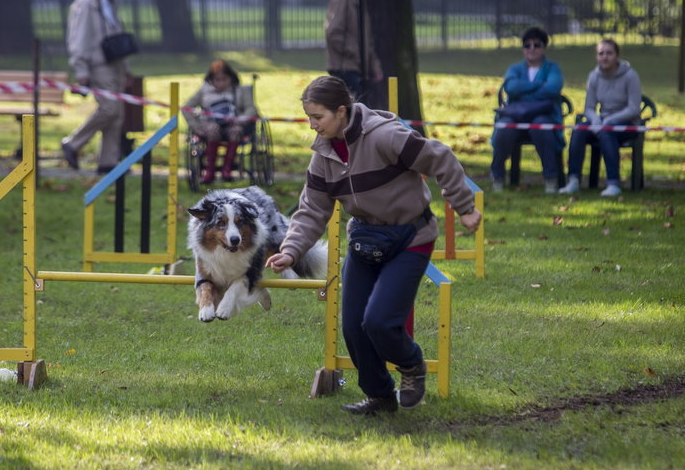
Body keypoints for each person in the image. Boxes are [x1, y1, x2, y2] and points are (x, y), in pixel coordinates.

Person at [265, 76, 481, 415]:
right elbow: (312, 209)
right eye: (308, 117)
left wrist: (464, 207)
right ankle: (380, 396)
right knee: (352, 326)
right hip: (366, 240)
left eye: (317, 117)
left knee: (379, 321)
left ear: (341, 111)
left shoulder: (384, 136)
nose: (312, 125)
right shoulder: (322, 155)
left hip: (411, 237)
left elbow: (439, 157)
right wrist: (291, 250)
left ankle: (412, 365)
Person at [61, 0, 132, 174]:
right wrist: (81, 70)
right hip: (96, 66)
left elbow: (115, 37)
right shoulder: (87, 3)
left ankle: (108, 162)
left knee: (116, 114)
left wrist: (125, 69)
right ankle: (73, 143)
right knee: (109, 109)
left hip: (113, 66)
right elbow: (79, 40)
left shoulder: (108, 2)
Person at [559, 39, 642, 197]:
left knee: (606, 132)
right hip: (603, 121)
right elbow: (589, 107)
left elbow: (633, 108)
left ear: (617, 55)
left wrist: (609, 121)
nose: (605, 57)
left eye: (609, 53)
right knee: (579, 130)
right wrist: (596, 120)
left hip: (627, 123)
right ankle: (573, 180)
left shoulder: (631, 76)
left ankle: (613, 183)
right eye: (601, 53)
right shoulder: (594, 76)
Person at [490, 27, 565, 193]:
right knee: (504, 128)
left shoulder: (552, 68)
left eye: (536, 45)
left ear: (544, 47)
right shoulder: (515, 69)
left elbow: (552, 89)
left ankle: (551, 179)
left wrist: (524, 94)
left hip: (544, 115)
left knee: (541, 127)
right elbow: (511, 88)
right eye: (527, 45)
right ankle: (497, 177)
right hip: (516, 116)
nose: (531, 49)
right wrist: (538, 86)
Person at [182, 60, 257, 184]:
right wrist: (196, 127)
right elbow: (187, 108)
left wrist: (240, 119)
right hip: (210, 124)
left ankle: (226, 169)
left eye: (224, 79)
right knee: (213, 129)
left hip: (233, 124)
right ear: (211, 79)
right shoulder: (204, 91)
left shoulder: (240, 90)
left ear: (231, 78)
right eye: (217, 80)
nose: (221, 83)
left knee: (236, 131)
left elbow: (251, 109)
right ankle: (210, 170)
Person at [325, 0, 383, 102]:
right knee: (354, 112)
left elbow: (367, 41)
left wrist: (375, 66)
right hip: (344, 68)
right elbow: (333, 33)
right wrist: (357, 54)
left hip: (357, 68)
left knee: (360, 111)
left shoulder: (360, 3)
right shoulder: (343, 0)